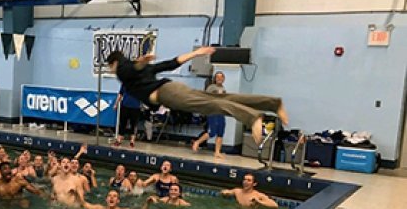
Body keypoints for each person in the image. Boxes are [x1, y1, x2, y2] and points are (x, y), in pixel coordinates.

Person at [106, 48, 289, 144]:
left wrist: (139, 63)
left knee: (213, 106)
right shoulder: (138, 72)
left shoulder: (122, 69)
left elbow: (129, 69)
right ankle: (273, 103)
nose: (111, 71)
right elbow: (170, 64)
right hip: (173, 88)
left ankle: (253, 117)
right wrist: (195, 53)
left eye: (110, 66)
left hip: (169, 95)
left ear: (113, 63)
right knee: (221, 99)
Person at [192, 71, 227, 159]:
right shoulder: (211, 88)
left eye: (221, 77)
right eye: (217, 77)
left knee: (220, 133)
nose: (219, 79)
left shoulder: (223, 89)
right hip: (212, 112)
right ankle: (197, 142)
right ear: (215, 79)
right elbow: (205, 98)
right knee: (212, 132)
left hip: (220, 113)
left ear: (223, 79)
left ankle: (217, 152)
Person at [75, 189, 155, 209]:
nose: (112, 198)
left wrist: (147, 203)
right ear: (106, 199)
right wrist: (76, 194)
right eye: (109, 196)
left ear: (118, 201)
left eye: (114, 196)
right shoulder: (99, 208)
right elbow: (85, 204)